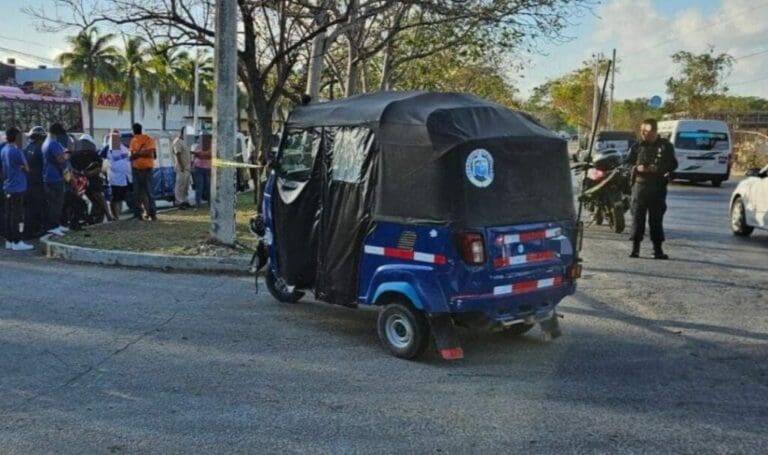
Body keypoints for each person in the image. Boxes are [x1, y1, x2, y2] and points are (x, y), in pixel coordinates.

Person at [625, 118, 678, 259]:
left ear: (654, 131)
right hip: (639, 187)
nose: (643, 134)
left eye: (646, 131)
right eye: (642, 131)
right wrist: (636, 167)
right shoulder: (636, 146)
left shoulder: (666, 147)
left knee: (656, 219)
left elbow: (673, 165)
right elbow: (626, 164)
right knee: (637, 218)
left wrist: (659, 169)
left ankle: (658, 249)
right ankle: (635, 248)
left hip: (657, 188)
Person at [1, 127, 34, 251]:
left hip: (8, 185)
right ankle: (17, 241)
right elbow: (27, 167)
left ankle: (9, 240)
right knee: (17, 215)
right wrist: (22, 167)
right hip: (18, 186)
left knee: (9, 214)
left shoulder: (4, 150)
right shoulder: (17, 151)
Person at [71, 134, 113, 223]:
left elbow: (100, 166)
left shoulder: (91, 154)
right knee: (96, 197)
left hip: (89, 179)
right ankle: (107, 215)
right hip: (84, 179)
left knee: (97, 197)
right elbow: (101, 166)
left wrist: (89, 173)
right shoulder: (76, 155)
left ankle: (106, 215)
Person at [42, 123, 72, 236]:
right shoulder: (53, 143)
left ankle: (56, 224)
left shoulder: (46, 142)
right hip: (55, 177)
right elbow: (60, 159)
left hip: (48, 175)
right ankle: (53, 226)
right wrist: (67, 155)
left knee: (53, 202)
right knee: (57, 203)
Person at [128, 123, 157, 220]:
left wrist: (137, 154)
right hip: (137, 169)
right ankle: (138, 214)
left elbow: (150, 153)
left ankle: (152, 214)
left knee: (148, 193)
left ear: (133, 130)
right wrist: (140, 154)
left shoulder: (147, 139)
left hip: (145, 169)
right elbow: (133, 155)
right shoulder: (138, 140)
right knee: (138, 193)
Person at [102, 129, 132, 220]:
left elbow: (128, 157)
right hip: (114, 177)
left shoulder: (123, 147)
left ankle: (118, 215)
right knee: (115, 198)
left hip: (124, 177)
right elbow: (101, 157)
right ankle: (115, 216)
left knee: (120, 198)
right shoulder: (108, 147)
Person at [23, 126, 47, 239]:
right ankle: (33, 231)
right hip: (37, 182)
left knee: (29, 208)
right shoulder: (41, 149)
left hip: (27, 181)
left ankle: (29, 230)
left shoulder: (27, 147)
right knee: (37, 207)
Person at [172, 127, 192, 209]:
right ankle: (179, 201)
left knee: (186, 185)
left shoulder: (184, 142)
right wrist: (182, 166)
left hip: (187, 167)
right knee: (180, 185)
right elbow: (178, 154)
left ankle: (184, 200)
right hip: (181, 167)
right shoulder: (177, 142)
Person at [191, 133, 212, 208]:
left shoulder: (212, 146)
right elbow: (197, 155)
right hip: (198, 168)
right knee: (199, 187)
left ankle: (210, 203)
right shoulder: (198, 146)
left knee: (208, 187)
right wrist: (203, 155)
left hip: (207, 168)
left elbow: (209, 154)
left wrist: (201, 155)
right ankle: (198, 204)